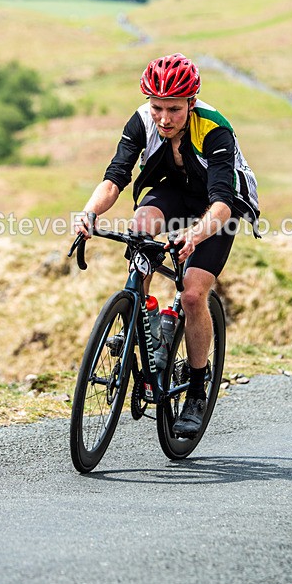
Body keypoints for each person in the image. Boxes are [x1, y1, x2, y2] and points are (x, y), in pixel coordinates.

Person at [75, 53, 259, 438]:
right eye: (157, 107)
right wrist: (89, 213)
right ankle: (138, 316)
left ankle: (196, 387)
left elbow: (223, 201)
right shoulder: (142, 120)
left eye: (174, 109)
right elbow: (114, 178)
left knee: (193, 294)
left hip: (217, 206)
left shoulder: (214, 129)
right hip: (173, 191)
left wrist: (194, 234)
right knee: (139, 227)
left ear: (191, 103)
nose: (164, 118)